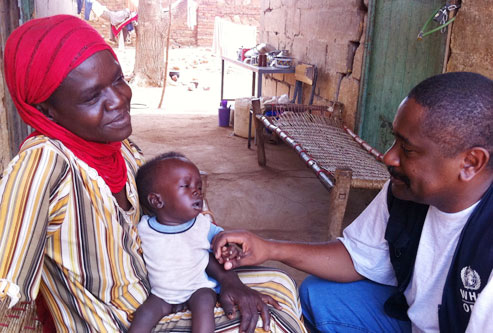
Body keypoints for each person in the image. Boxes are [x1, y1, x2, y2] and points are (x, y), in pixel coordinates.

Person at [0, 15, 307, 333]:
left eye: (118, 79)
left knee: (279, 283)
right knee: (269, 326)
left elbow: (177, 227)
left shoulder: (119, 149)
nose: (119, 99)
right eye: (93, 97)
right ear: (45, 109)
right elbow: (7, 286)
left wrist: (229, 279)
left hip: (157, 293)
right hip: (117, 322)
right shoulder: (42, 166)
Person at [213, 72, 493, 332]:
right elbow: (357, 256)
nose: (389, 157)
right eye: (394, 140)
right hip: (412, 320)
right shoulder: (406, 191)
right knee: (319, 294)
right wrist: (269, 248)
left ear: (470, 162)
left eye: (407, 149)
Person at [130, 152, 250, 332]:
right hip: (162, 294)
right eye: (185, 186)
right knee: (143, 315)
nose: (196, 192)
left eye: (199, 187)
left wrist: (231, 248)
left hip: (198, 287)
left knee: (204, 304)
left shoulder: (202, 224)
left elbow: (224, 240)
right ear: (157, 200)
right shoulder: (144, 228)